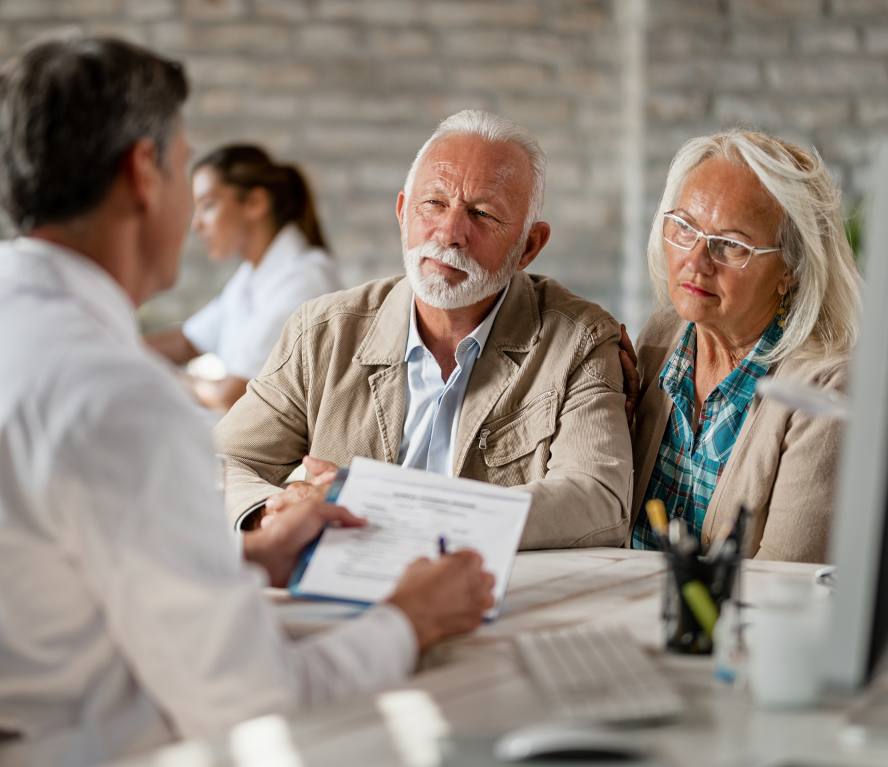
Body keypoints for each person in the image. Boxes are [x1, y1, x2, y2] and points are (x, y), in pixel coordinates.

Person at [0, 37, 495, 767]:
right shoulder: (118, 397)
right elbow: (255, 706)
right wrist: (410, 618)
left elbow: (33, 581)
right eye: (183, 166)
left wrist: (248, 559)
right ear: (144, 172)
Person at [220, 110, 633, 551]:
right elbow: (220, 461)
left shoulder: (579, 341)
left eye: (483, 213)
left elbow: (599, 500)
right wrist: (272, 512)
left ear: (528, 246)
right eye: (434, 203)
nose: (450, 232)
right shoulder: (322, 333)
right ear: (403, 213)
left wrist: (392, 509)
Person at [620, 130, 862, 562]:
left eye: (731, 244)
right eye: (685, 227)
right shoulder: (660, 338)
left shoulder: (826, 389)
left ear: (791, 268)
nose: (696, 261)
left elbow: (783, 581)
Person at [145, 144, 340, 413]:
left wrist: (151, 374)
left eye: (208, 205)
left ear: (254, 203)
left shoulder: (303, 280)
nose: (196, 224)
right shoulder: (251, 276)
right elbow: (188, 341)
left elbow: (230, 397)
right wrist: (116, 346)